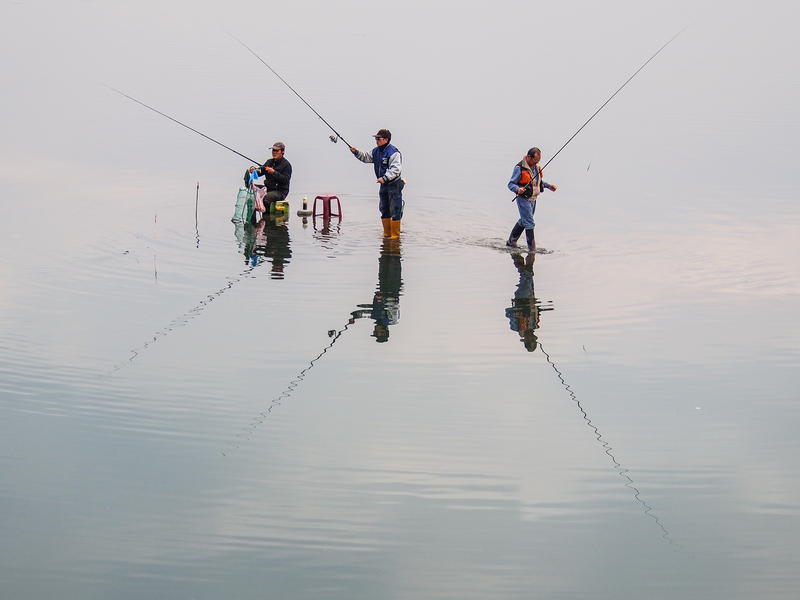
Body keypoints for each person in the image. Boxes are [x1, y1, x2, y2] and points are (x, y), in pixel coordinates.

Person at [350, 129, 404, 238]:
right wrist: (356, 152)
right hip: (383, 185)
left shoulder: (394, 153)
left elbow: (396, 169)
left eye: (378, 139)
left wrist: (385, 178)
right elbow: (366, 157)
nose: (376, 140)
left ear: (386, 139)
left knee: (395, 209)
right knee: (384, 209)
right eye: (376, 138)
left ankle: (395, 236)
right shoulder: (376, 151)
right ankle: (387, 234)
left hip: (394, 185)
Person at [506, 147, 557, 252]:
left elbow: (538, 182)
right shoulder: (519, 168)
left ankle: (511, 242)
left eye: (538, 161)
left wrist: (548, 186)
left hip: (533, 199)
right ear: (529, 157)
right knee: (529, 222)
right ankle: (532, 250)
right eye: (535, 160)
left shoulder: (536, 168)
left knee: (523, 220)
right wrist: (518, 189)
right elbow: (511, 184)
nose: (536, 163)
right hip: (523, 198)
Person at [246, 142, 292, 219]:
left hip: (280, 191)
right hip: (268, 188)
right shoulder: (269, 162)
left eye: (277, 151)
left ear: (282, 151)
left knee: (266, 198)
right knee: (251, 191)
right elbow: (261, 171)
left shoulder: (286, 165)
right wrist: (254, 170)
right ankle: (252, 219)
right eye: (273, 150)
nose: (274, 152)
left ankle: (266, 218)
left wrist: (274, 173)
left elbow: (285, 179)